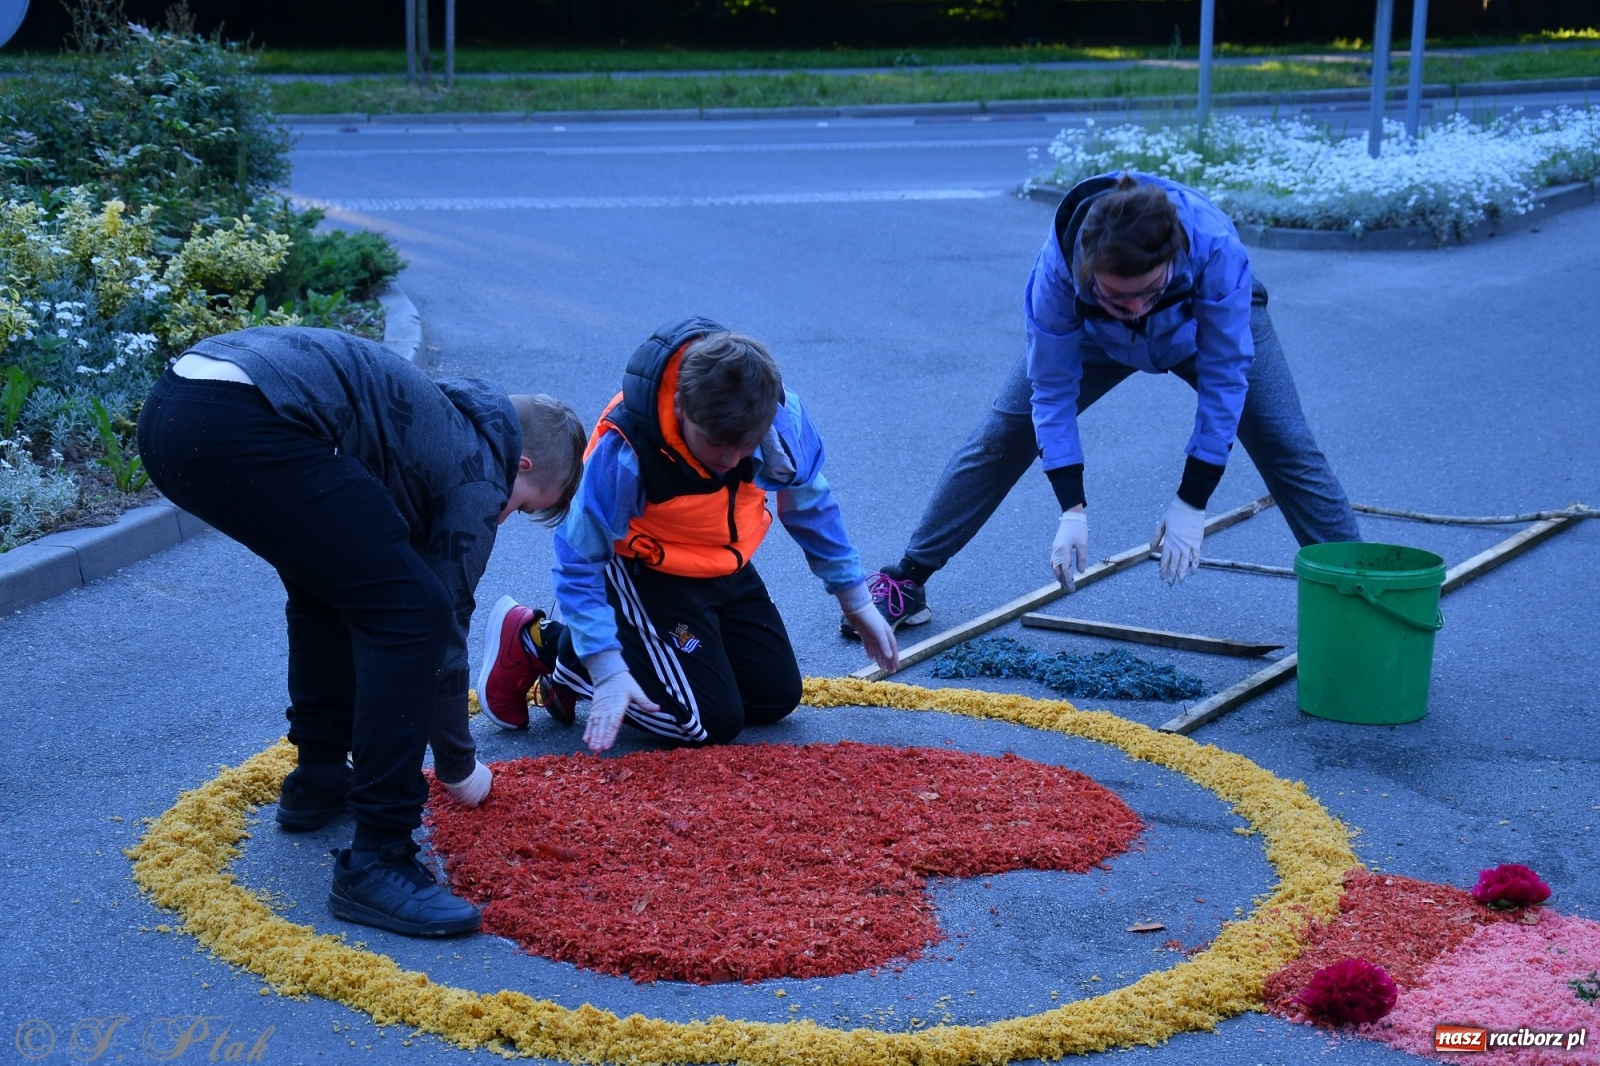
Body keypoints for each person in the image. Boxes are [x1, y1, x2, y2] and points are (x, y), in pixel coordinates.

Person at [135, 326, 584, 937]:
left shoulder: (439, 416)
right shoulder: (483, 470)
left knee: (335, 584)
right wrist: (457, 766)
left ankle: (319, 780)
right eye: (528, 504)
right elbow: (445, 624)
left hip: (176, 407)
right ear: (521, 465)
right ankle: (379, 859)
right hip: (242, 420)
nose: (511, 515)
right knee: (411, 614)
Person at [843, 171, 1361, 641]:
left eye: (1149, 291)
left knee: (1287, 444)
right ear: (1085, 271)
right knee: (1004, 433)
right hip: (1096, 337)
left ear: (1175, 257)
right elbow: (1050, 392)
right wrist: (1072, 506)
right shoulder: (1057, 276)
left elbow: (1227, 381)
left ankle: (1361, 601)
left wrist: (1192, 499)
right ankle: (908, 579)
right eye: (1119, 297)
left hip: (1198, 329)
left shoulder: (1213, 247)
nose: (1136, 310)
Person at [478, 317, 898, 753]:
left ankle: (635, 655)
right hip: (643, 570)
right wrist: (606, 669)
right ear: (681, 406)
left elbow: (811, 507)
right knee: (706, 722)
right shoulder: (628, 450)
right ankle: (548, 646)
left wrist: (856, 601)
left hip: (721, 564)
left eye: (743, 446)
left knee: (774, 698)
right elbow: (577, 558)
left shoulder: (780, 422)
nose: (730, 459)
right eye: (716, 443)